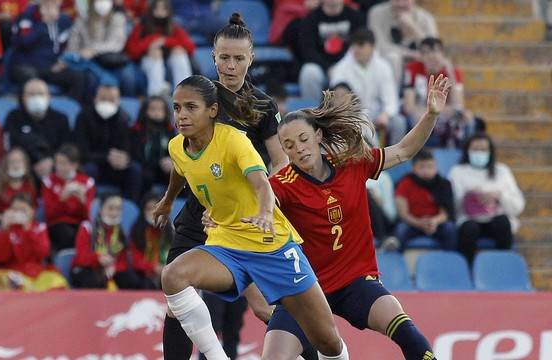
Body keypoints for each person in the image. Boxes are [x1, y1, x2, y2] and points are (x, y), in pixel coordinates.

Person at [251, 74, 451, 360]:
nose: (299, 149)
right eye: (289, 145)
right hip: (304, 288)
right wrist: (220, 217)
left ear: (318, 136)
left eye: (304, 139)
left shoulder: (352, 163)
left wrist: (431, 114)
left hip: (355, 282)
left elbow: (405, 150)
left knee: (405, 330)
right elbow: (259, 204)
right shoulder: (282, 185)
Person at [153, 74, 348, 360]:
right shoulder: (176, 146)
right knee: (173, 275)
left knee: (327, 341)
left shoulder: (234, 142)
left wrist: (266, 212)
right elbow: (181, 170)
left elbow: (261, 183)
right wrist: (168, 200)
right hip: (226, 244)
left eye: (191, 107)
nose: (181, 115)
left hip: (271, 246)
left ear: (212, 111)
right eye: (177, 108)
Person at [160, 13, 290, 360]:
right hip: (199, 216)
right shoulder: (199, 98)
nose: (230, 66)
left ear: (251, 58)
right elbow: (183, 158)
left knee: (264, 307)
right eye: (223, 58)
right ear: (213, 57)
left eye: (238, 58)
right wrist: (169, 198)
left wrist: (266, 206)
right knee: (175, 298)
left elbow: (279, 162)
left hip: (242, 219)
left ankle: (320, 352)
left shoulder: (262, 106)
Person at [448, 132, 525, 265]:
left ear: (490, 151)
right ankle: (466, 269)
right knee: (469, 228)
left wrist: (500, 196)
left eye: (483, 150)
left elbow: (518, 206)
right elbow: (451, 207)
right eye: (475, 150)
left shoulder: (502, 171)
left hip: (496, 220)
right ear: (467, 150)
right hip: (469, 220)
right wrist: (467, 197)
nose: (480, 153)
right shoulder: (457, 172)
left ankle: (504, 266)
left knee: (503, 222)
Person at [329, 28, 406, 146]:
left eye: (361, 45)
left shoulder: (383, 67)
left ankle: (394, 160)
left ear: (372, 47)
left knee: (399, 123)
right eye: (354, 45)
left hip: (377, 115)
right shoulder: (341, 69)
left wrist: (385, 114)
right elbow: (336, 100)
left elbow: (390, 98)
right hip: (352, 116)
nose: (356, 50)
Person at [70, 193, 162, 289]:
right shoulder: (88, 228)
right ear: (100, 210)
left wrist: (115, 268)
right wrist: (98, 258)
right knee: (93, 281)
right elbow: (80, 257)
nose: (114, 213)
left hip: (110, 270)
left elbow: (124, 261)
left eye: (118, 209)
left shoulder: (121, 233)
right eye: (110, 208)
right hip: (86, 269)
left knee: (131, 280)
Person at [403, 37, 481, 148]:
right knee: (418, 117)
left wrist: (450, 73)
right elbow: (409, 107)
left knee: (467, 117)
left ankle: (464, 155)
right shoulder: (412, 69)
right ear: (420, 56)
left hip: (443, 113)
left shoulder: (453, 72)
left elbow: (458, 105)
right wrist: (432, 111)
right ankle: (418, 154)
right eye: (427, 52)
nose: (432, 56)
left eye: (436, 51)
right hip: (421, 111)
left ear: (442, 54)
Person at [73, 83, 143, 202]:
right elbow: (81, 151)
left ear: (118, 101)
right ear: (95, 99)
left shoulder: (124, 119)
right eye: (103, 99)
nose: (107, 102)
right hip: (94, 165)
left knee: (134, 170)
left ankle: (130, 207)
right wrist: (106, 157)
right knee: (89, 168)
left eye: (111, 99)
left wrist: (124, 158)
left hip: (115, 169)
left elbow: (130, 149)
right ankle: (88, 205)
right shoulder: (83, 118)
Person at [9, 0, 86, 103]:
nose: (50, 5)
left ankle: (67, 108)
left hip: (52, 66)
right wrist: (43, 24)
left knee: (78, 78)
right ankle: (28, 110)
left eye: (54, 2)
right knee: (31, 81)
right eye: (47, 2)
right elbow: (24, 42)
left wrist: (63, 61)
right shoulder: (27, 15)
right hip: (27, 64)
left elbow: (70, 45)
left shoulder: (64, 20)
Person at [64, 0, 144, 97]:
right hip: (90, 62)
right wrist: (78, 55)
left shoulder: (118, 18)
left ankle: (128, 105)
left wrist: (94, 50)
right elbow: (73, 45)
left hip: (112, 60)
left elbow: (116, 44)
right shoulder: (81, 21)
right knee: (91, 79)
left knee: (128, 77)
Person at [0, 193, 69, 290]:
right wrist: (4, 230)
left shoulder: (39, 228)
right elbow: (1, 257)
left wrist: (28, 230)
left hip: (36, 273)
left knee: (57, 281)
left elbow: (43, 253)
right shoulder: (4, 230)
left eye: (23, 210)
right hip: (12, 272)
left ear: (31, 212)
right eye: (15, 210)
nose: (18, 213)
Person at [295, 0, 365, 102]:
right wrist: (328, 68)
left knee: (362, 69)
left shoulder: (355, 17)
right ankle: (311, 114)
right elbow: (308, 50)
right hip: (322, 68)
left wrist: (341, 67)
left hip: (348, 66)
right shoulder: (311, 19)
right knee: (308, 72)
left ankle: (358, 113)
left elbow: (359, 45)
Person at [3, 78, 72, 180]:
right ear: (23, 98)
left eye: (40, 94)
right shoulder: (14, 117)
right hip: (23, 168)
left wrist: (51, 161)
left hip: (54, 167)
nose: (36, 98)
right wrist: (27, 164)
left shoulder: (61, 119)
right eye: (31, 94)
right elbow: (10, 146)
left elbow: (67, 148)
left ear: (49, 97)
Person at [124, 0, 195, 96]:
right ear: (151, 10)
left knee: (179, 50)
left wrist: (165, 41)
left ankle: (185, 89)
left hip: (168, 63)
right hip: (144, 63)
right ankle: (155, 92)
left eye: (163, 9)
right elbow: (130, 52)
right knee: (155, 52)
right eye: (157, 9)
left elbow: (190, 47)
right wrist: (151, 42)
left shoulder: (173, 27)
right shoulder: (141, 27)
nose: (160, 12)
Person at [392, 148, 457, 251]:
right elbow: (403, 214)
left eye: (430, 167)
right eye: (421, 167)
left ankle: (450, 261)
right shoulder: (404, 183)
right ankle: (394, 261)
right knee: (401, 229)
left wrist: (434, 222)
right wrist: (419, 223)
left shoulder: (443, 184)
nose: (426, 171)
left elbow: (446, 213)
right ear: (413, 168)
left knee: (450, 228)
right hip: (412, 223)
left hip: (436, 223)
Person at [41, 143, 95, 254]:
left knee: (89, 233)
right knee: (66, 233)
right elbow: (49, 215)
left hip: (80, 223)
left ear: (74, 165)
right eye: (57, 163)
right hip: (57, 224)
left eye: (63, 164)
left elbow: (89, 216)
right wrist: (62, 199)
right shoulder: (48, 181)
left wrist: (82, 201)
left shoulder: (87, 182)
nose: (59, 168)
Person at [367, 0, 438, 85]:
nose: (401, 4)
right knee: (393, 58)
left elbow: (434, 50)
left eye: (405, 0)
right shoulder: (376, 13)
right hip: (386, 67)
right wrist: (410, 54)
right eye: (397, 1)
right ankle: (392, 97)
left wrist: (413, 27)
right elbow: (379, 46)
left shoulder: (426, 18)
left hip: (419, 68)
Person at [130, 95, 177, 195]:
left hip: (164, 169)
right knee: (144, 175)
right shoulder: (137, 129)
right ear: (145, 111)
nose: (157, 112)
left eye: (160, 109)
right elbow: (136, 154)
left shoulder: (170, 130)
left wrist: (171, 161)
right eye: (153, 109)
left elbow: (175, 151)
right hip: (146, 169)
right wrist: (158, 163)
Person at [0, 147, 38, 226]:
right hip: (2, 225)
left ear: (25, 165)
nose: (15, 165)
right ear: (6, 166)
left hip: (24, 226)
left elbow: (34, 213)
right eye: (12, 162)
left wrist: (22, 218)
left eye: (18, 161)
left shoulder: (30, 186)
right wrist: (8, 218)